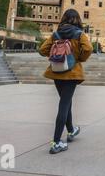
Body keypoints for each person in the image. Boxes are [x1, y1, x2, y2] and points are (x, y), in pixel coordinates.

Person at [39, 9, 93, 154]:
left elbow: (42, 50)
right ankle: (56, 142)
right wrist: (79, 58)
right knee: (64, 104)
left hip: (57, 71)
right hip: (72, 73)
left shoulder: (56, 34)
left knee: (65, 101)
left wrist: (56, 55)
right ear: (77, 19)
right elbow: (88, 49)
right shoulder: (79, 34)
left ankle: (71, 131)